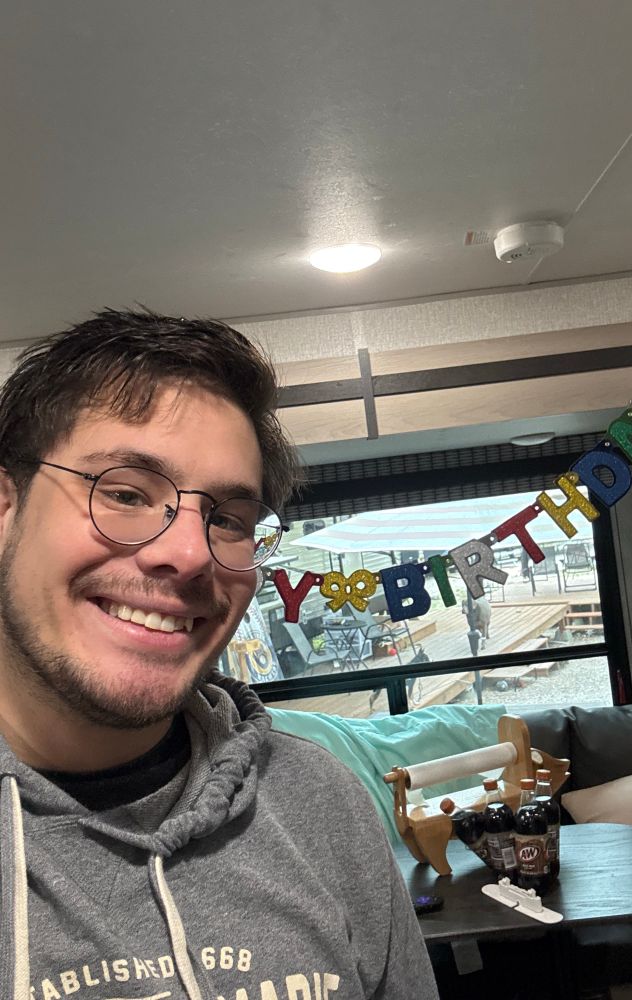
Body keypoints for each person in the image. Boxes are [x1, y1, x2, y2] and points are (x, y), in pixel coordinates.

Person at [0, 309, 439, 1000]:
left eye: (228, 519)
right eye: (124, 492)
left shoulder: (323, 807)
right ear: (5, 508)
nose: (189, 552)